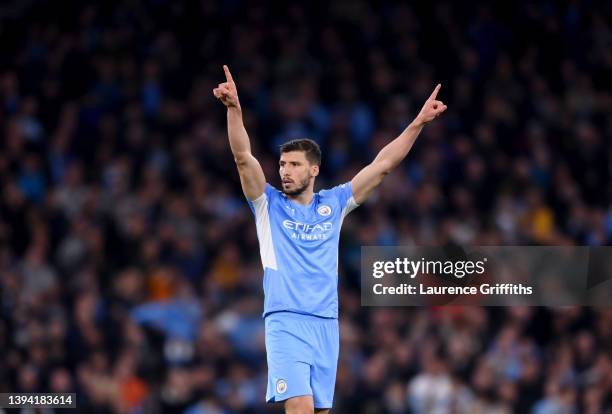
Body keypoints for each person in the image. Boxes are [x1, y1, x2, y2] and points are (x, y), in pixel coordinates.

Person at [213, 65, 446, 414]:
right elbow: (243, 158)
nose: (284, 171)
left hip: (325, 322)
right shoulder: (268, 203)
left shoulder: (334, 204)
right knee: (301, 408)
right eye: (282, 164)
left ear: (313, 170)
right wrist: (234, 111)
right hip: (286, 319)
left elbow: (382, 165)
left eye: (293, 165)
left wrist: (417, 124)